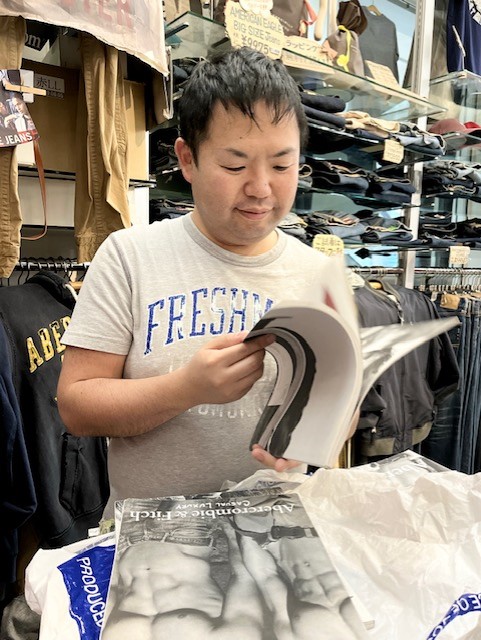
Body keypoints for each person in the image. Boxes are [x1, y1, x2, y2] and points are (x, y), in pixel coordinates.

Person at [57, 47, 355, 520]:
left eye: (282, 166)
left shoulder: (319, 274)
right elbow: (77, 407)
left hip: (274, 532)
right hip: (152, 539)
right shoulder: (129, 256)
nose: (261, 188)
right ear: (187, 159)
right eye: (235, 166)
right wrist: (187, 388)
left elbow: (342, 412)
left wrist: (321, 430)